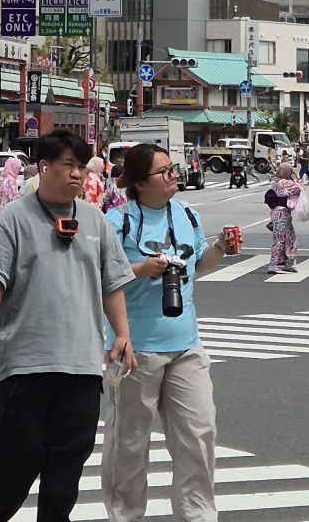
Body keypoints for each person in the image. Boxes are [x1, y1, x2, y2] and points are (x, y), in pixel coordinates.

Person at [0, 130, 136, 522]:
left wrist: (122, 334)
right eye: (68, 166)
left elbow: (113, 283)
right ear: (43, 167)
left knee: (67, 468)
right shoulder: (14, 218)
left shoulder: (95, 219)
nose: (77, 175)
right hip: (27, 364)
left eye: (81, 167)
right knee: (17, 461)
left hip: (83, 367)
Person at [100, 143, 238, 522]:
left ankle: (197, 516)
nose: (174, 175)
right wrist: (143, 269)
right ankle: (125, 515)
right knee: (129, 443)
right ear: (141, 183)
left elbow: (197, 266)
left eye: (173, 168)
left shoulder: (187, 215)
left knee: (199, 434)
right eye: (165, 172)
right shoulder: (117, 221)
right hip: (134, 349)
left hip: (185, 345)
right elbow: (101, 279)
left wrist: (220, 249)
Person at [264, 159, 302, 274]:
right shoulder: (284, 183)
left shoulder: (276, 181)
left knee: (290, 237)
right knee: (281, 239)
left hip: (278, 213)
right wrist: (298, 175)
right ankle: (273, 264)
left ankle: (288, 263)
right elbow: (299, 188)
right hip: (282, 213)